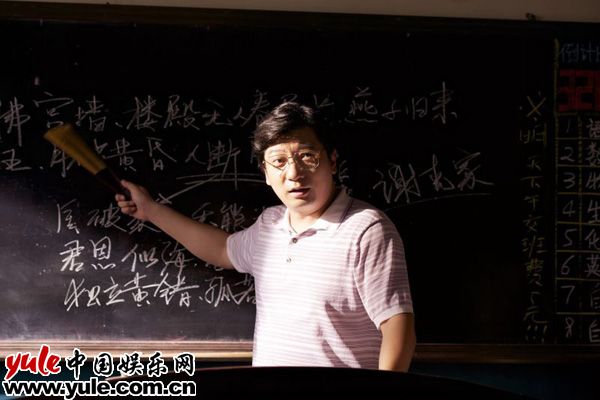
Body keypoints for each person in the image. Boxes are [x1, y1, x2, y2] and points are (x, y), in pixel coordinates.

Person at [115, 102, 416, 371]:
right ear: (266, 173)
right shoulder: (270, 225)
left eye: (307, 156)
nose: (294, 173)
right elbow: (221, 249)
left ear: (332, 160)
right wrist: (150, 210)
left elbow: (397, 326)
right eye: (279, 162)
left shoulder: (367, 229)